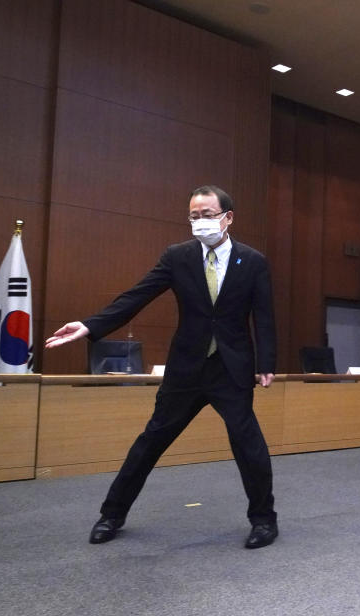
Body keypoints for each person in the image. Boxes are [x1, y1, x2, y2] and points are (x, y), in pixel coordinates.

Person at [45, 185, 279, 548]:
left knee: (249, 446)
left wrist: (266, 362)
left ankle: (264, 521)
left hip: (230, 369)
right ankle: (112, 515)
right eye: (194, 216)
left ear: (228, 217)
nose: (200, 222)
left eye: (208, 214)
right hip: (186, 369)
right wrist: (90, 325)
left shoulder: (252, 261)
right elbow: (138, 295)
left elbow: (263, 317)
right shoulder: (178, 257)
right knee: (151, 441)